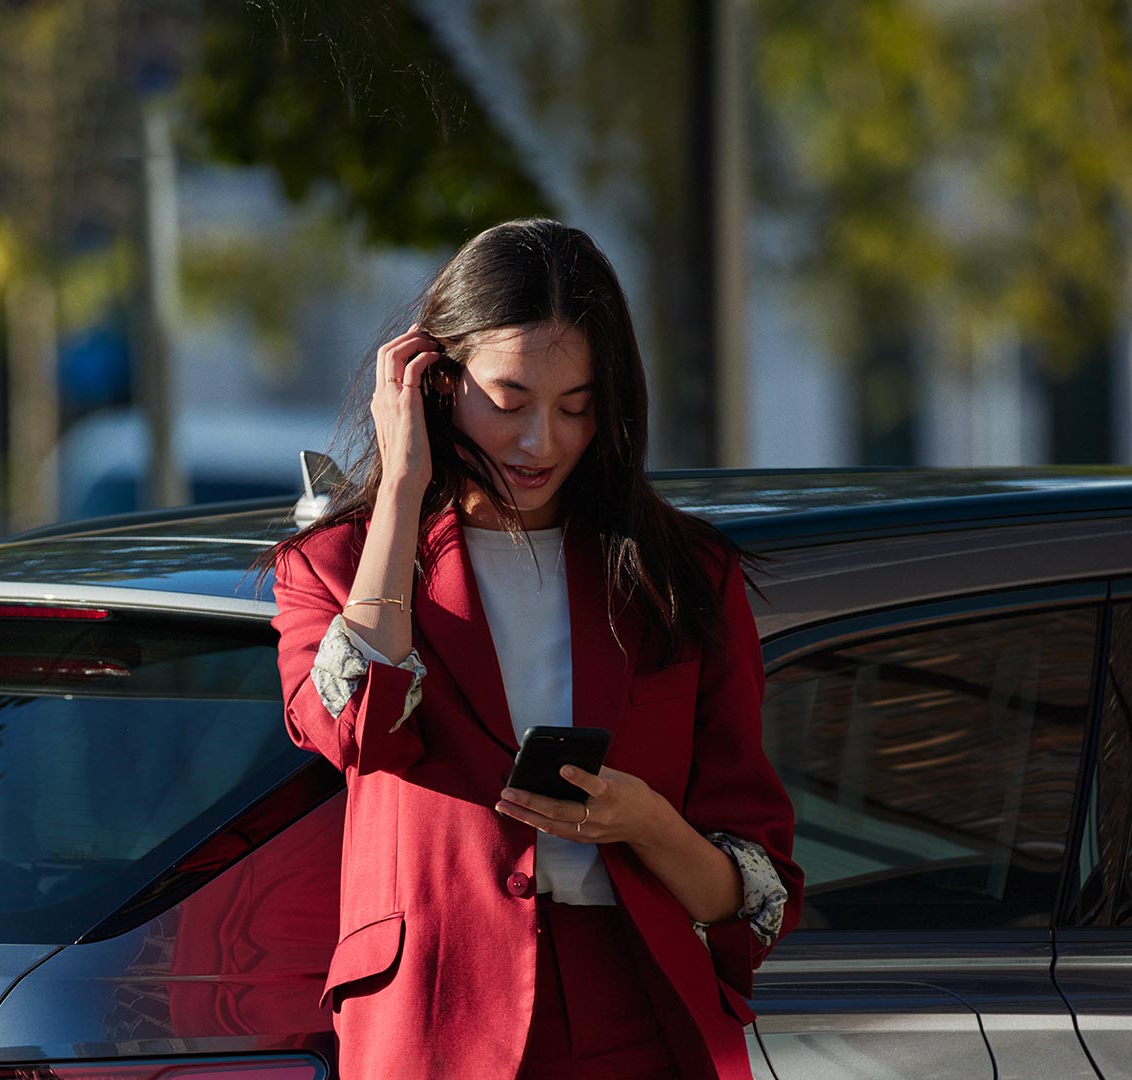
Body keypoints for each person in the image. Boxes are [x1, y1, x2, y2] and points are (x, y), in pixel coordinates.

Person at [267, 218, 802, 1080]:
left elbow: (759, 892)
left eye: (576, 409)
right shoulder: (334, 567)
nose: (540, 441)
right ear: (434, 385)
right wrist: (401, 484)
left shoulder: (686, 576)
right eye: (509, 403)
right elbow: (359, 734)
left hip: (640, 1008)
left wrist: (647, 824)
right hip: (438, 1019)